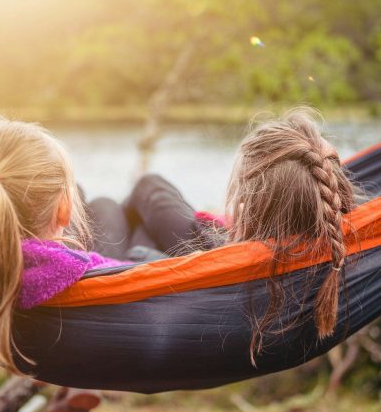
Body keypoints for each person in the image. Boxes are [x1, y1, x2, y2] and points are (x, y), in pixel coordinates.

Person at [97, 106, 356, 364]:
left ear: (247, 201)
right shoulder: (349, 239)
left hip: (205, 262)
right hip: (215, 255)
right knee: (137, 221)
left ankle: (84, 372)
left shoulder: (242, 265)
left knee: (113, 202)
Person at [0, 118, 127, 412]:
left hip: (60, 327)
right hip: (131, 277)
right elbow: (134, 274)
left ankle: (78, 386)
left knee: (100, 203)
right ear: (64, 209)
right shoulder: (82, 268)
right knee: (142, 193)